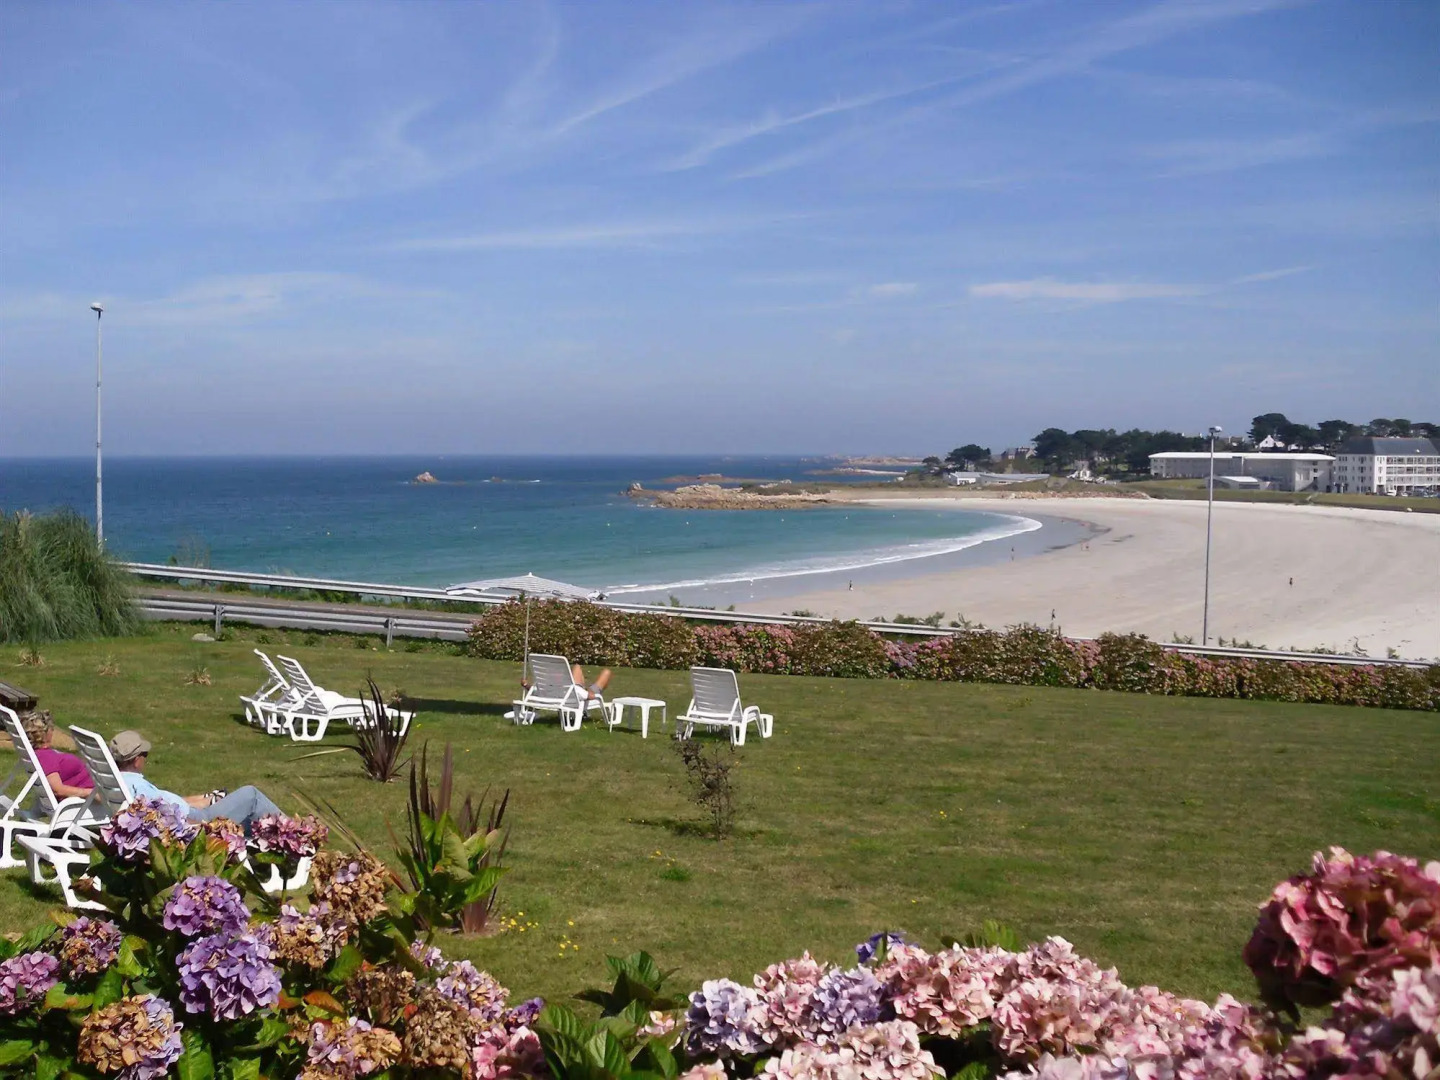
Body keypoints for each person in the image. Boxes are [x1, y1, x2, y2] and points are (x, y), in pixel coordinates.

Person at [107, 730, 283, 830]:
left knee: (242, 811)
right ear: (137, 760)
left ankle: (269, 842)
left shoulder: (116, 782)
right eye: (144, 755)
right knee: (250, 795)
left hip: (191, 814)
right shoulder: (138, 788)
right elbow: (168, 818)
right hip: (196, 821)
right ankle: (294, 834)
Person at [20, 710, 94, 800]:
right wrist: (89, 792)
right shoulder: (45, 757)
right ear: (45, 732)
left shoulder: (39, 754)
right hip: (93, 800)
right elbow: (57, 790)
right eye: (51, 728)